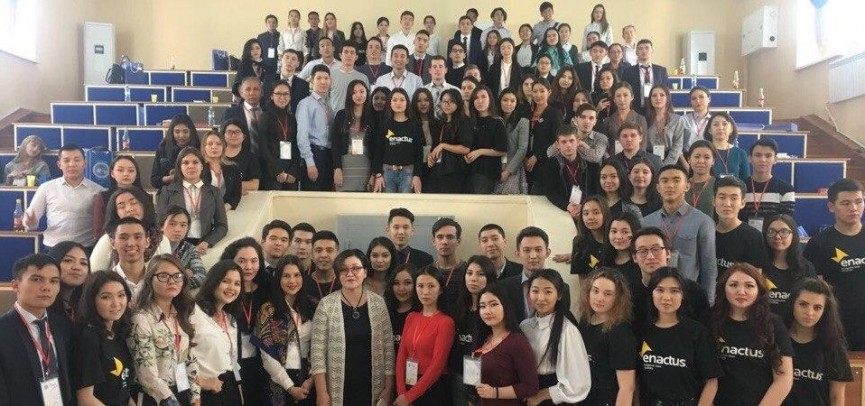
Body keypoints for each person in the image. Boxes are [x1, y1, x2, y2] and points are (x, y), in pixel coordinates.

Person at [311, 249, 395, 406]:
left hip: (372, 386)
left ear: (365, 272)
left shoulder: (378, 303)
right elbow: (317, 353)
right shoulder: (326, 305)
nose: (350, 274)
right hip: (337, 388)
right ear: (337, 275)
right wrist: (322, 393)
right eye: (344, 269)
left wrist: (388, 388)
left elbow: (388, 349)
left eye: (356, 268)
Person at [710, 263, 795, 405]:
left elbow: (784, 377)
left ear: (759, 290)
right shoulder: (709, 321)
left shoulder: (774, 325)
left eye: (749, 286)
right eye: (733, 285)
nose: (741, 291)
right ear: (723, 288)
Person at [640, 267, 723, 405]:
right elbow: (636, 380)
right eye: (660, 290)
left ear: (683, 295)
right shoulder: (643, 331)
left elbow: (711, 381)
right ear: (651, 293)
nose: (666, 297)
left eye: (674, 291)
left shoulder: (698, 333)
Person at [0, 254, 74, 405]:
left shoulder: (63, 326)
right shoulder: (3, 330)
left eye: (54, 281)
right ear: (15, 285)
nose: (46, 287)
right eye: (37, 279)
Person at [128, 254, 199, 405]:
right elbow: (147, 377)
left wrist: (195, 397)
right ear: (149, 280)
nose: (172, 281)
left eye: (177, 276)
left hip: (182, 391)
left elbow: (189, 359)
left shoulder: (180, 315)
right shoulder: (141, 319)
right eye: (163, 276)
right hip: (156, 398)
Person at [804, 178, 865, 350]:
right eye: (846, 203)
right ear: (831, 206)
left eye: (859, 201)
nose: (854, 208)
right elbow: (814, 289)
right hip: (838, 324)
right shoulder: (819, 243)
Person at [641, 164, 717, 299]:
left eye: (676, 180)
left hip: (688, 295)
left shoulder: (703, 222)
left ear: (687, 186)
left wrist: (708, 302)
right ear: (658, 188)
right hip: (655, 295)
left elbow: (709, 267)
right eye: (664, 181)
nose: (670, 185)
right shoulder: (646, 223)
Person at [254, 255, 317, 406]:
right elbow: (267, 356)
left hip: (309, 377)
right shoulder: (267, 310)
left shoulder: (313, 306)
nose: (292, 281)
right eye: (286, 276)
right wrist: (290, 387)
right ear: (278, 279)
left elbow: (321, 347)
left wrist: (311, 380)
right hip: (278, 379)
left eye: (297, 275)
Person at [521, 269, 591, 405]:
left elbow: (577, 383)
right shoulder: (525, 326)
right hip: (528, 392)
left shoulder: (567, 331)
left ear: (559, 295)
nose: (540, 297)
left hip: (553, 398)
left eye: (548, 292)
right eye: (535, 291)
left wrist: (542, 395)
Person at [629, 228, 710, 340]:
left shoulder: (694, 291)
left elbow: (705, 331)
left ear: (668, 253)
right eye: (643, 251)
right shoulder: (629, 293)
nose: (650, 256)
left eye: (656, 249)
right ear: (634, 257)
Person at [784, 278, 854, 406]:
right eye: (803, 304)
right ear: (792, 304)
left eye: (817, 307)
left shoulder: (834, 347)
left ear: (825, 311)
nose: (810, 313)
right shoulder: (777, 339)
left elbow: (836, 397)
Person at [469, 283, 540, 405]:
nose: (487, 311)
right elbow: (473, 381)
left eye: (494, 304)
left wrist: (495, 392)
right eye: (483, 306)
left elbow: (531, 386)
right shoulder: (482, 338)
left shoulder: (517, 341)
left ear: (505, 306)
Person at [394, 266, 455, 406]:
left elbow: (437, 366)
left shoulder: (446, 322)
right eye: (420, 286)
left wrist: (409, 397)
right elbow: (401, 356)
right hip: (408, 383)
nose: (425, 292)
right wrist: (401, 392)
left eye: (431, 286)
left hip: (433, 388)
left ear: (440, 290)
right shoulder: (411, 317)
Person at [73, 270, 136, 405]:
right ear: (92, 301)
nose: (116, 303)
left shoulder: (119, 333)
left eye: (121, 295)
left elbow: (123, 389)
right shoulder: (89, 338)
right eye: (106, 297)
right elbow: (85, 399)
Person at [220, 237, 270, 406]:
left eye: (254, 261)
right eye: (242, 261)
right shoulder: (225, 291)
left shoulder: (267, 288)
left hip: (263, 363)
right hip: (231, 363)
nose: (249, 267)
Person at [25, 144, 105, 250]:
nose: (72, 164)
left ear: (85, 163)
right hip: (53, 248)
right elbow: (31, 219)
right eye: (66, 160)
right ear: (59, 164)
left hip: (85, 248)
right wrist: (30, 222)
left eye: (77, 160)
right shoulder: (46, 188)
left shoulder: (98, 191)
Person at [577, 268, 637, 406]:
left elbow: (627, 388)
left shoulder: (621, 331)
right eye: (595, 291)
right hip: (586, 398)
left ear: (618, 298)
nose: (600, 298)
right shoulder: (585, 321)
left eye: (608, 294)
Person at [156, 147, 228, 255]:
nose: (191, 166)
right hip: (174, 247)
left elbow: (222, 225)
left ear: (202, 166)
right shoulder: (168, 191)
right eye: (185, 163)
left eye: (195, 162)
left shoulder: (214, 192)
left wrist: (207, 242)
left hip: (203, 247)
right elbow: (159, 222)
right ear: (180, 167)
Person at [190, 260, 243, 406]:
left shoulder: (230, 317)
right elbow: (178, 358)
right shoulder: (193, 313)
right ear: (213, 282)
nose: (232, 288)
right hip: (204, 391)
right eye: (226, 281)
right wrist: (202, 382)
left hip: (229, 385)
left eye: (237, 284)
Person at [449, 255, 496, 405]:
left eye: (480, 274)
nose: (473, 279)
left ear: (489, 278)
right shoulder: (458, 306)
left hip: (486, 379)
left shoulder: (493, 311)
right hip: (458, 374)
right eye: (469, 273)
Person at [89, 187, 167, 276]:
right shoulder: (108, 240)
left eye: (133, 203)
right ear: (115, 213)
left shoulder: (161, 240)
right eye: (121, 206)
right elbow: (94, 275)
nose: (129, 209)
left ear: (144, 205)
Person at [501, 226, 571, 322]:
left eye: (538, 250)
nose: (533, 256)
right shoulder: (504, 287)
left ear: (547, 252)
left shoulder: (562, 288)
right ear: (518, 254)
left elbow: (561, 321)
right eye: (527, 250)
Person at [371, 88, 425, 193]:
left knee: (405, 203)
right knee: (388, 203)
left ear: (407, 102)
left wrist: (417, 175)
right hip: (387, 172)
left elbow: (419, 153)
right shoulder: (383, 124)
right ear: (390, 103)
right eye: (394, 100)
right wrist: (378, 174)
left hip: (408, 173)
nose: (398, 103)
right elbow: (378, 151)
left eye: (402, 100)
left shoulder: (415, 124)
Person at [714, 176, 771, 274]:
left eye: (734, 198)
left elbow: (755, 277)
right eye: (722, 197)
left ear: (742, 203)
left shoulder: (753, 237)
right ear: (713, 201)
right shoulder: (706, 230)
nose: (727, 203)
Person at [763, 214, 817, 316]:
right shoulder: (758, 264)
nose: (777, 236)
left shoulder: (806, 267)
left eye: (784, 232)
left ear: (794, 235)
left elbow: (813, 299)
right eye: (771, 231)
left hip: (795, 323)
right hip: (764, 322)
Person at [542, 126, 600, 218]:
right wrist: (568, 206)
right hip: (562, 211)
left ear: (578, 141)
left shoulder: (591, 164)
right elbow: (550, 192)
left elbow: (596, 190)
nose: (568, 145)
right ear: (557, 145)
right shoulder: (551, 164)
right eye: (564, 142)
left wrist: (584, 206)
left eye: (571, 141)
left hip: (588, 209)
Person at [297, 64, 336, 191]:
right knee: (312, 196)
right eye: (319, 78)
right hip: (314, 155)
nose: (323, 82)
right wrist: (310, 163)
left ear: (330, 81)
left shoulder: (328, 105)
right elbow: (302, 136)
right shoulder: (306, 104)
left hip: (328, 156)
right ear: (311, 80)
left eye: (326, 78)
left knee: (326, 196)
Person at [257, 79, 301, 191]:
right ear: (272, 96)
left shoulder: (291, 118)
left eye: (286, 94)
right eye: (278, 94)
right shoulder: (265, 117)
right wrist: (277, 171)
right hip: (272, 172)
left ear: (290, 97)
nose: (282, 97)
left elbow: (296, 146)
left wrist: (293, 171)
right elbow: (263, 147)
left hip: (290, 171)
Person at [742, 138, 796, 226]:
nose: (763, 160)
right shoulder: (740, 187)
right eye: (758, 155)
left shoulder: (786, 190)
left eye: (768, 156)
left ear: (775, 159)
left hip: (773, 234)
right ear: (750, 158)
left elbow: (785, 223)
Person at [331, 80, 373, 192]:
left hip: (365, 167)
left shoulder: (372, 117)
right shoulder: (341, 115)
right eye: (354, 92)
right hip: (345, 167)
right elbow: (335, 144)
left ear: (367, 93)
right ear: (349, 95)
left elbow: (376, 148)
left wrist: (374, 174)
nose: (358, 95)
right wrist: (337, 168)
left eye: (362, 91)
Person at [466, 85, 507, 193]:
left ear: (490, 99)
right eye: (476, 98)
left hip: (486, 172)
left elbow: (502, 150)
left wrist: (480, 152)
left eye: (483, 97)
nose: (480, 101)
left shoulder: (497, 122)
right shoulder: (470, 122)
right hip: (468, 170)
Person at [92, 155, 143, 237]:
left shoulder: (145, 196)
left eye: (131, 171)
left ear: (136, 174)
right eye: (120, 170)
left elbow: (151, 226)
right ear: (112, 173)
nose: (126, 174)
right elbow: (98, 230)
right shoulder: (103, 196)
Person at [526, 78, 562, 195]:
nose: (538, 95)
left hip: (545, 161)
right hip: (527, 162)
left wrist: (536, 156)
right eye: (535, 91)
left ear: (549, 92)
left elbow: (556, 140)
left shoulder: (554, 113)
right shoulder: (528, 113)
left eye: (542, 91)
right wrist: (525, 157)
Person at [160, 205, 207, 289]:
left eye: (183, 225)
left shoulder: (189, 248)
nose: (178, 229)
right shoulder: (151, 246)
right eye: (172, 224)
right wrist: (184, 274)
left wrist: (179, 280)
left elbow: (201, 276)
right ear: (161, 226)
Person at [106, 217, 153, 297]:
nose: (131, 243)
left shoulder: (156, 279)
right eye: (123, 238)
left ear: (147, 242)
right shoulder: (105, 282)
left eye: (137, 237)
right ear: (113, 243)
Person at [493, 89, 529, 194]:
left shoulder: (523, 122)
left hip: (513, 167)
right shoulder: (494, 120)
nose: (509, 103)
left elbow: (522, 149)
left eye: (512, 101)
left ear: (516, 103)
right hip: (494, 166)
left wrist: (508, 171)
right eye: (505, 100)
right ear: (500, 101)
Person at [646, 85, 691, 166]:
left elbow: (678, 145)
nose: (658, 98)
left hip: (671, 161)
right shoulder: (644, 119)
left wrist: (666, 165)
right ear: (650, 99)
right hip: (649, 161)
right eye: (654, 95)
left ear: (668, 98)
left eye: (662, 95)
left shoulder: (677, 120)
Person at [563, 196, 609, 275]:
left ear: (605, 214)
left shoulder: (614, 240)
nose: (590, 217)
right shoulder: (579, 242)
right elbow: (582, 276)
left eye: (596, 212)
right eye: (586, 213)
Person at [429, 217, 467, 312]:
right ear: (433, 241)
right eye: (440, 237)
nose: (444, 242)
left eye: (450, 237)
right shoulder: (426, 272)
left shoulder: (468, 272)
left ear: (458, 241)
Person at [621, 39, 669, 114]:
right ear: (636, 52)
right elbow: (625, 91)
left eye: (647, 48)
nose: (644, 51)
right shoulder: (628, 71)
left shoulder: (661, 70)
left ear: (652, 51)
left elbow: (666, 92)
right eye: (640, 48)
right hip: (635, 111)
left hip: (657, 111)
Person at [601, 83, 648, 158]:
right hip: (613, 159)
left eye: (625, 95)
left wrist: (638, 160)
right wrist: (609, 159)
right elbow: (604, 145)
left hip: (635, 160)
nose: (622, 99)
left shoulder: (640, 119)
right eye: (618, 96)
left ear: (632, 97)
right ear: (614, 99)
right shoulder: (608, 121)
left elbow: (643, 145)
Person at [47, 241, 90, 322]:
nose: (77, 267)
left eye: (83, 263)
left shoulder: (88, 306)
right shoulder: (41, 306)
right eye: (68, 260)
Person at [199, 130, 242, 210]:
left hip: (227, 211)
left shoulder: (233, 168)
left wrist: (225, 207)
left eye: (218, 144)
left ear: (223, 147)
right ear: (204, 147)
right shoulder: (198, 168)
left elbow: (236, 195)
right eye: (210, 144)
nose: (214, 147)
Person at [220, 117, 262, 195]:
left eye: (237, 132)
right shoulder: (217, 156)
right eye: (229, 132)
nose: (233, 135)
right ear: (223, 136)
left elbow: (254, 185)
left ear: (244, 136)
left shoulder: (250, 157)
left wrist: (226, 184)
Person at [705, 112, 750, 180]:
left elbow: (746, 181)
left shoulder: (740, 153)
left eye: (724, 124)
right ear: (709, 130)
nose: (720, 128)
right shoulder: (705, 152)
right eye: (716, 124)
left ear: (731, 129)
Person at [385, 263, 418, 353]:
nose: (401, 288)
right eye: (396, 283)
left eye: (407, 283)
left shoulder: (422, 314)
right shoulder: (384, 314)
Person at [329, 43, 370, 112]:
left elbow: (366, 100)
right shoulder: (330, 76)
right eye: (346, 52)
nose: (349, 55)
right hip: (335, 116)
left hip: (356, 116)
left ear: (356, 57)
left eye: (352, 52)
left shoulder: (363, 78)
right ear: (340, 55)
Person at [304, 231, 342, 304]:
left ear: (337, 254)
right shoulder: (302, 284)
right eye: (318, 250)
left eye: (329, 250)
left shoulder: (345, 283)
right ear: (312, 254)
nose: (324, 255)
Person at [602, 211, 642, 276]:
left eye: (625, 232)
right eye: (614, 231)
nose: (618, 237)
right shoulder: (605, 259)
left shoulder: (641, 261)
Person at [685, 140, 717, 217]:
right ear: (689, 159)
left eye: (707, 157)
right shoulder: (681, 185)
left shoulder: (719, 185)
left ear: (713, 161)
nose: (701, 161)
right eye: (697, 157)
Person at [275, 49, 309, 114]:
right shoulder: (269, 79)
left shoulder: (303, 85)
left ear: (298, 64)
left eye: (293, 59)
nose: (289, 61)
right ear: (281, 60)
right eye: (287, 57)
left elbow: (304, 109)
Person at [681, 86, 712, 154]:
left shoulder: (714, 121)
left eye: (701, 97)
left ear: (709, 99)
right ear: (691, 102)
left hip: (708, 156)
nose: (697, 101)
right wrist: (685, 161)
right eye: (694, 98)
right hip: (687, 155)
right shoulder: (682, 120)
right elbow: (677, 145)